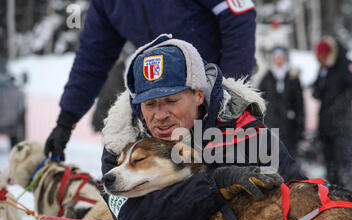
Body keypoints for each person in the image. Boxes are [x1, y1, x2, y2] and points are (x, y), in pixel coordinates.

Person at [101, 34, 308, 220]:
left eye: (172, 101)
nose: (160, 115)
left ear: (198, 95)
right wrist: (216, 185)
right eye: (149, 104)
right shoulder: (121, 148)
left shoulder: (248, 132)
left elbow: (303, 198)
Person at [44, 0, 257, 161]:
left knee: (237, 171)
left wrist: (227, 91)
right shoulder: (108, 4)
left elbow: (239, 16)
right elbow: (92, 57)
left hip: (211, 91)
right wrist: (66, 119)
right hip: (157, 98)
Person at [312, 36, 352, 190]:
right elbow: (318, 88)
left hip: (343, 123)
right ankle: (333, 196)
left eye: (322, 57)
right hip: (326, 123)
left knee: (344, 162)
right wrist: (315, 90)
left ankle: (348, 195)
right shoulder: (323, 68)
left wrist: (343, 101)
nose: (320, 60)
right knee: (330, 163)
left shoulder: (347, 64)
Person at [258, 46, 305, 158]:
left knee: (289, 157)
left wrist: (300, 126)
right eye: (276, 58)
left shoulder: (293, 78)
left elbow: (299, 104)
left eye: (281, 58)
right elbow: (259, 100)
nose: (279, 60)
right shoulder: (266, 78)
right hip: (270, 125)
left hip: (289, 126)